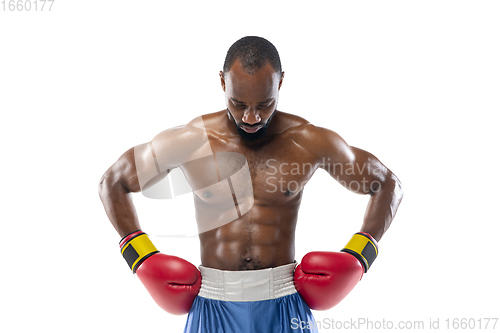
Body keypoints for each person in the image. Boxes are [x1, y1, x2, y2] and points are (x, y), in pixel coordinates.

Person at [98, 36, 403, 333]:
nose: (251, 117)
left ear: (280, 82)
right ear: (222, 81)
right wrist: (139, 255)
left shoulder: (308, 141)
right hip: (213, 304)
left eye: (265, 104)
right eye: (238, 103)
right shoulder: (191, 140)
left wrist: (360, 255)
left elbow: (386, 183)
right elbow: (114, 181)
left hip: (284, 303)